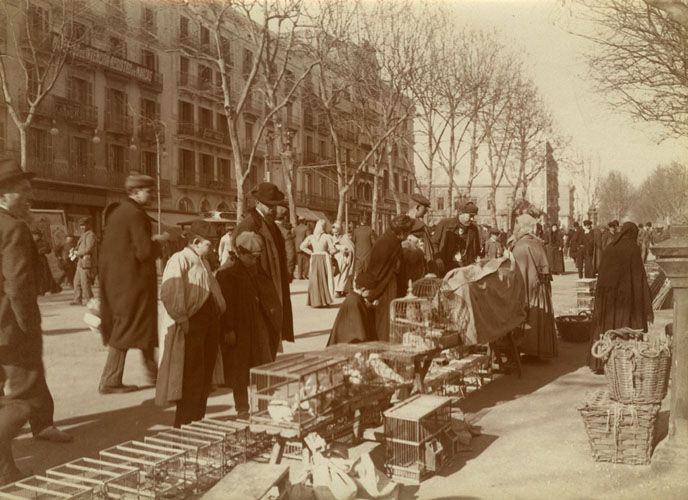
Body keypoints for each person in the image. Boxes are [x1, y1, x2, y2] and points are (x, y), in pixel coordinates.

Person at [1, 159, 72, 485]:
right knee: (23, 399)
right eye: (22, 190)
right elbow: (17, 287)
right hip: (10, 327)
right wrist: (29, 329)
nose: (29, 195)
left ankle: (6, 467)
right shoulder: (12, 228)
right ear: (4, 194)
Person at [99, 174, 168, 394]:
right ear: (135, 192)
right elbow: (144, 251)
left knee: (141, 328)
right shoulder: (136, 215)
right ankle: (110, 380)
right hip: (133, 283)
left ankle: (156, 376)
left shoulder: (119, 212)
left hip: (120, 282)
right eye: (148, 191)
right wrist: (159, 242)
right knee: (127, 329)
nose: (152, 194)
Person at [156, 221, 226, 427]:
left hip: (208, 325)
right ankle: (184, 424)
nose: (212, 247)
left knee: (205, 376)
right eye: (208, 243)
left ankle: (198, 420)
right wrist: (183, 320)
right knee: (192, 377)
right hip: (193, 325)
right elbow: (170, 292)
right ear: (195, 242)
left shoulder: (203, 261)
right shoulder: (179, 260)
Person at [217, 232, 282, 420]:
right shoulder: (227, 274)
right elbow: (226, 304)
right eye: (251, 257)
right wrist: (228, 328)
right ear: (240, 252)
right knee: (239, 370)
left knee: (263, 365)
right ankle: (242, 408)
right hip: (239, 329)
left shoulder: (257, 270)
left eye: (257, 257)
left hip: (259, 326)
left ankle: (264, 404)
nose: (255, 260)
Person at [233, 182, 294, 348]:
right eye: (270, 206)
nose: (273, 210)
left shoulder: (270, 223)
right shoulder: (249, 224)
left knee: (271, 335)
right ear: (258, 203)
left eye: (275, 206)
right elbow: (239, 260)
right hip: (258, 290)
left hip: (271, 287)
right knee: (260, 341)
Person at [588, 222, 653, 373]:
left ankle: (600, 361)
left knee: (606, 327)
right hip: (625, 296)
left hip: (606, 297)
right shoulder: (632, 249)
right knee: (623, 327)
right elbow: (638, 277)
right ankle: (621, 362)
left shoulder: (610, 247)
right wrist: (644, 300)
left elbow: (601, 273)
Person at [510, 213, 558, 359]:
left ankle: (524, 346)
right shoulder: (535, 244)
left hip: (521, 287)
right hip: (537, 288)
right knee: (538, 316)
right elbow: (545, 269)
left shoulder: (517, 244)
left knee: (525, 315)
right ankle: (538, 349)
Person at [365, 215, 413, 341]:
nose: (408, 236)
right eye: (408, 233)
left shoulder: (392, 241)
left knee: (389, 321)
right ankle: (384, 349)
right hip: (385, 288)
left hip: (390, 285)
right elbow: (377, 272)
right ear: (401, 232)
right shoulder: (387, 244)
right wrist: (373, 295)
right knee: (385, 323)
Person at [326, 272, 377, 345]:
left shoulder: (354, 297)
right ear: (363, 289)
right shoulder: (355, 302)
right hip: (346, 345)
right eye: (371, 290)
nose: (372, 293)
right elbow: (359, 332)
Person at [300, 219, 336, 307]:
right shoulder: (327, 237)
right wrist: (335, 251)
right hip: (324, 258)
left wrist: (311, 252)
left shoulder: (311, 237)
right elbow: (332, 250)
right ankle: (324, 300)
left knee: (314, 279)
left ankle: (314, 301)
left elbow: (301, 246)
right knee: (324, 278)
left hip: (314, 258)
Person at [70, 218, 97, 306]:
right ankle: (77, 299)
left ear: (88, 225)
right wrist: (74, 250)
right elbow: (81, 247)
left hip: (86, 262)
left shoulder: (90, 235)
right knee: (76, 282)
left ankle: (90, 301)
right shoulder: (84, 235)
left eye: (84, 225)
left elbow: (89, 248)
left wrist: (78, 253)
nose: (82, 227)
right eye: (81, 225)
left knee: (85, 283)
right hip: (80, 262)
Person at [407, 193, 434, 272]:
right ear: (417, 208)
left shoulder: (419, 224)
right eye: (424, 208)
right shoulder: (412, 225)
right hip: (415, 267)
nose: (426, 211)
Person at [31, 229, 61, 295]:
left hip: (42, 260)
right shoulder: (31, 242)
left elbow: (48, 249)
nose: (34, 237)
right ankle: (39, 290)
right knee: (36, 275)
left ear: (39, 236)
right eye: (33, 235)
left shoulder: (43, 242)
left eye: (35, 235)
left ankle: (47, 289)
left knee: (45, 274)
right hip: (34, 260)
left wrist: (40, 251)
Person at [331, 222, 354, 297]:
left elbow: (351, 248)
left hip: (345, 259)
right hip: (336, 259)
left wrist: (347, 252)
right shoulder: (332, 238)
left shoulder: (345, 237)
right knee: (337, 275)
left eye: (337, 232)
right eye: (334, 232)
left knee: (345, 275)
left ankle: (344, 290)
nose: (336, 234)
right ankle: (337, 291)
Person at [276, 206, 296, 282]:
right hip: (282, 269)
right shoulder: (285, 232)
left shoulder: (267, 229)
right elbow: (291, 255)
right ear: (285, 218)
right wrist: (290, 272)